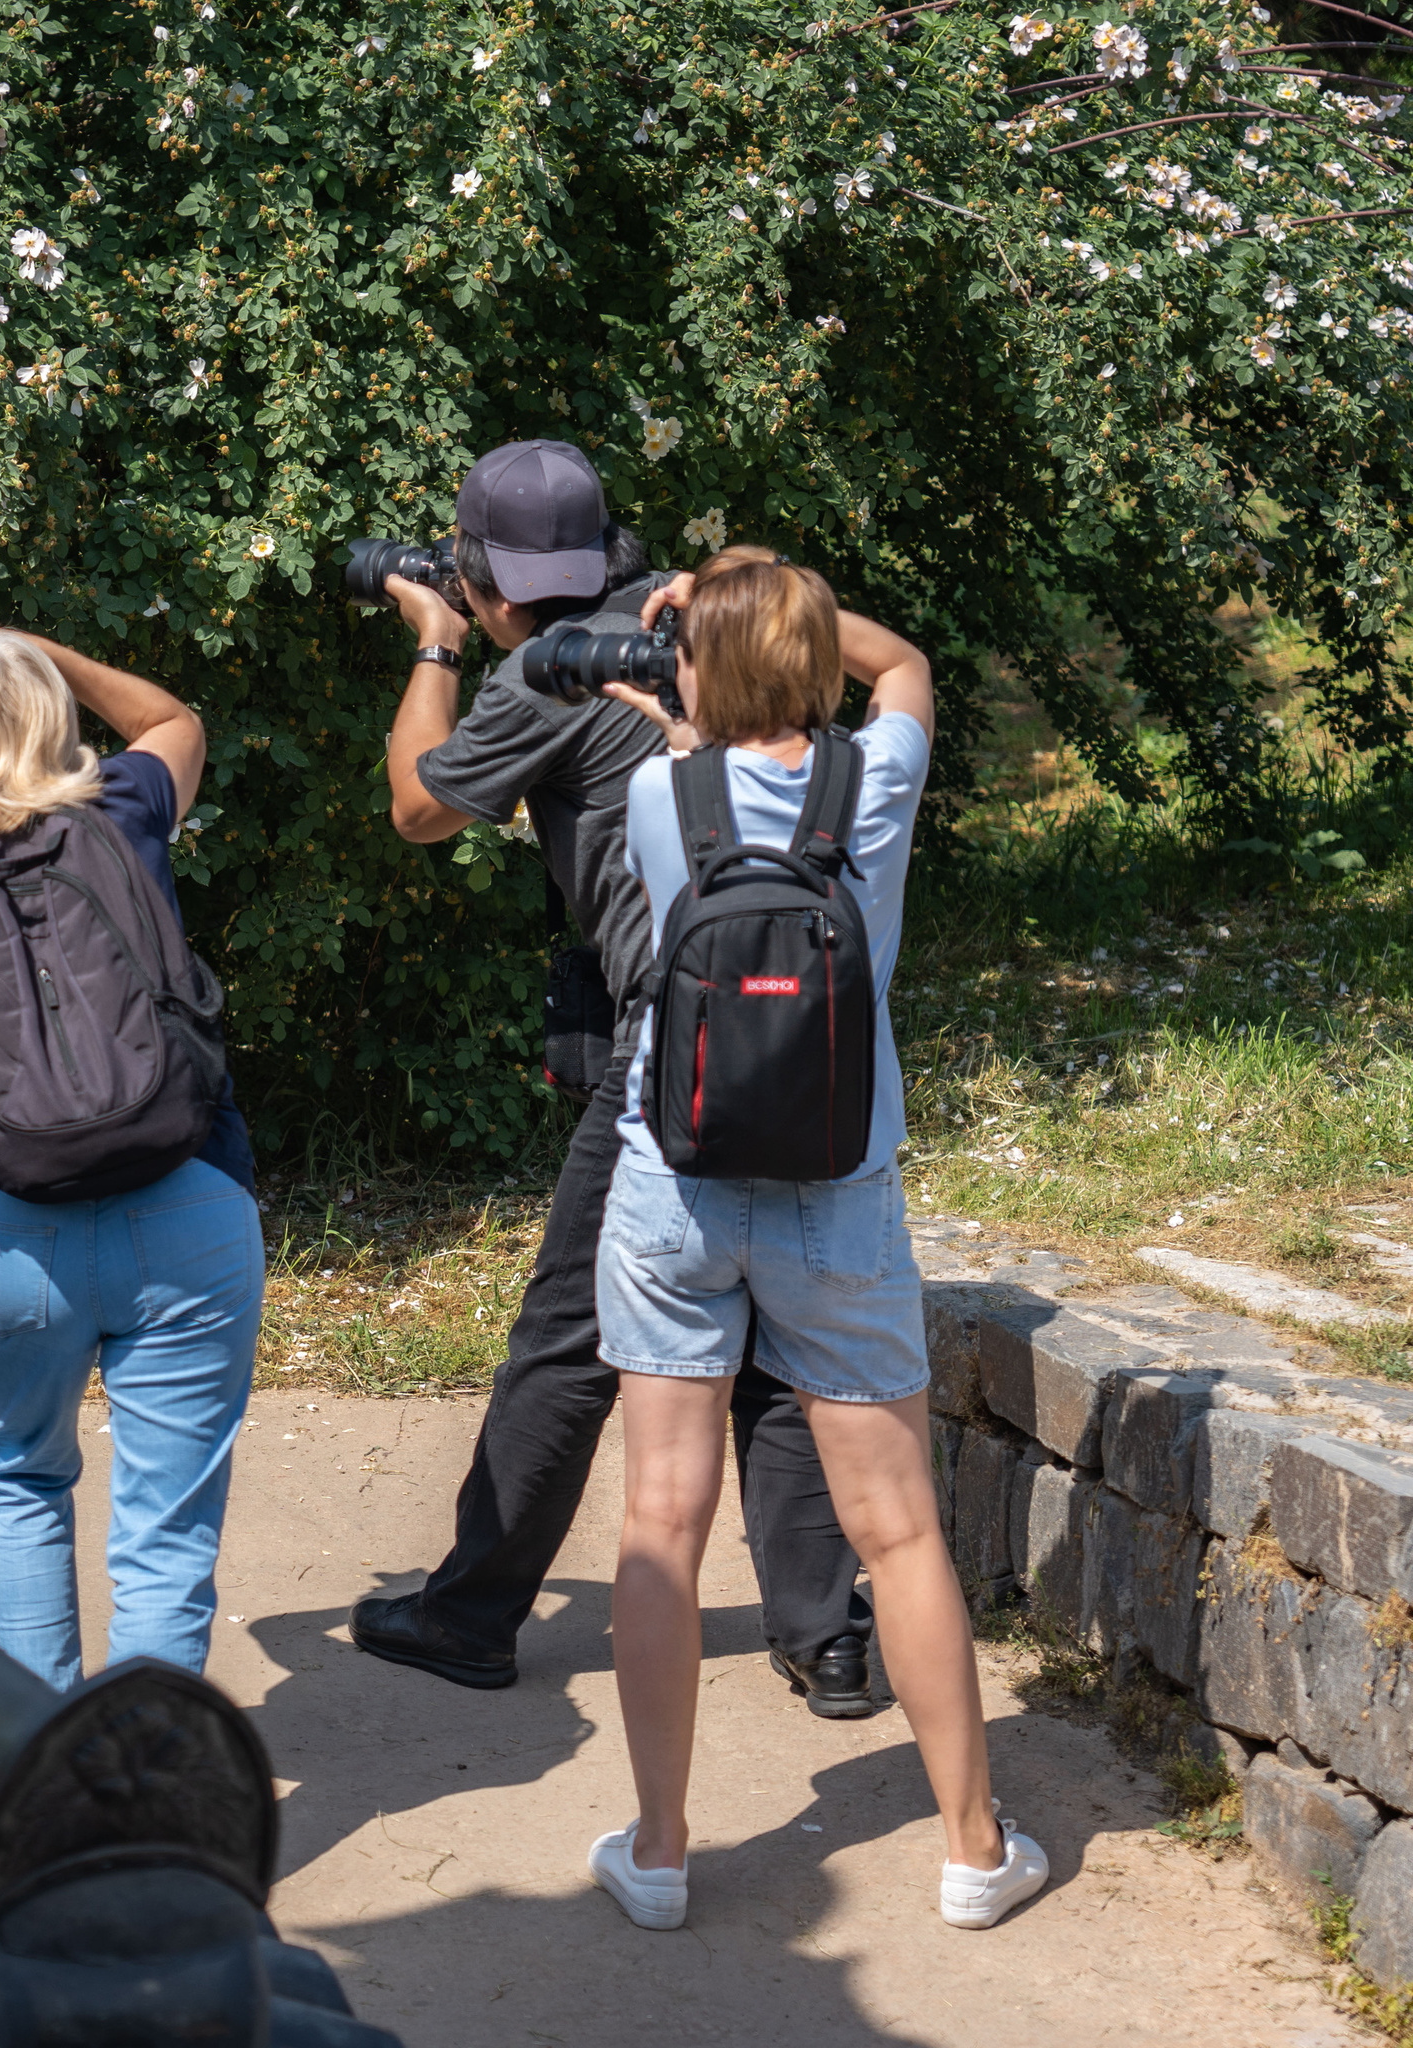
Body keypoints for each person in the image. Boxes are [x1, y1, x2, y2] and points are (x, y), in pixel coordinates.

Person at [350, 439, 875, 1712]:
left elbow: (420, 805)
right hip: (810, 1025)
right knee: (779, 1325)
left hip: (672, 1036)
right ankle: (827, 1635)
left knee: (569, 1331)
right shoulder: (681, 628)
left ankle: (470, 1610)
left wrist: (432, 641)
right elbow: (885, 674)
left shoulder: (547, 667)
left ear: (474, 566)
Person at [585, 545, 1047, 1933]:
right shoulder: (881, 782)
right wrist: (770, 593)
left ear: (695, 668)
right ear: (817, 651)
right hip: (837, 1190)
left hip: (675, 1183)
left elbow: (702, 757)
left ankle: (661, 1852)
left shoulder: (662, 793)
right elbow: (900, 667)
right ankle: (973, 1849)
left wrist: (699, 614)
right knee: (897, 1531)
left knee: (663, 1520)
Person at [0, 626, 261, 1690]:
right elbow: (172, 719)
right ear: (51, 716)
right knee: (166, 1530)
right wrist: (36, 646)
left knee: (23, 1475)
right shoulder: (128, 813)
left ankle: (44, 1766)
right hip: (184, 1196)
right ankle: (143, 1788)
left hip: (12, 1227)